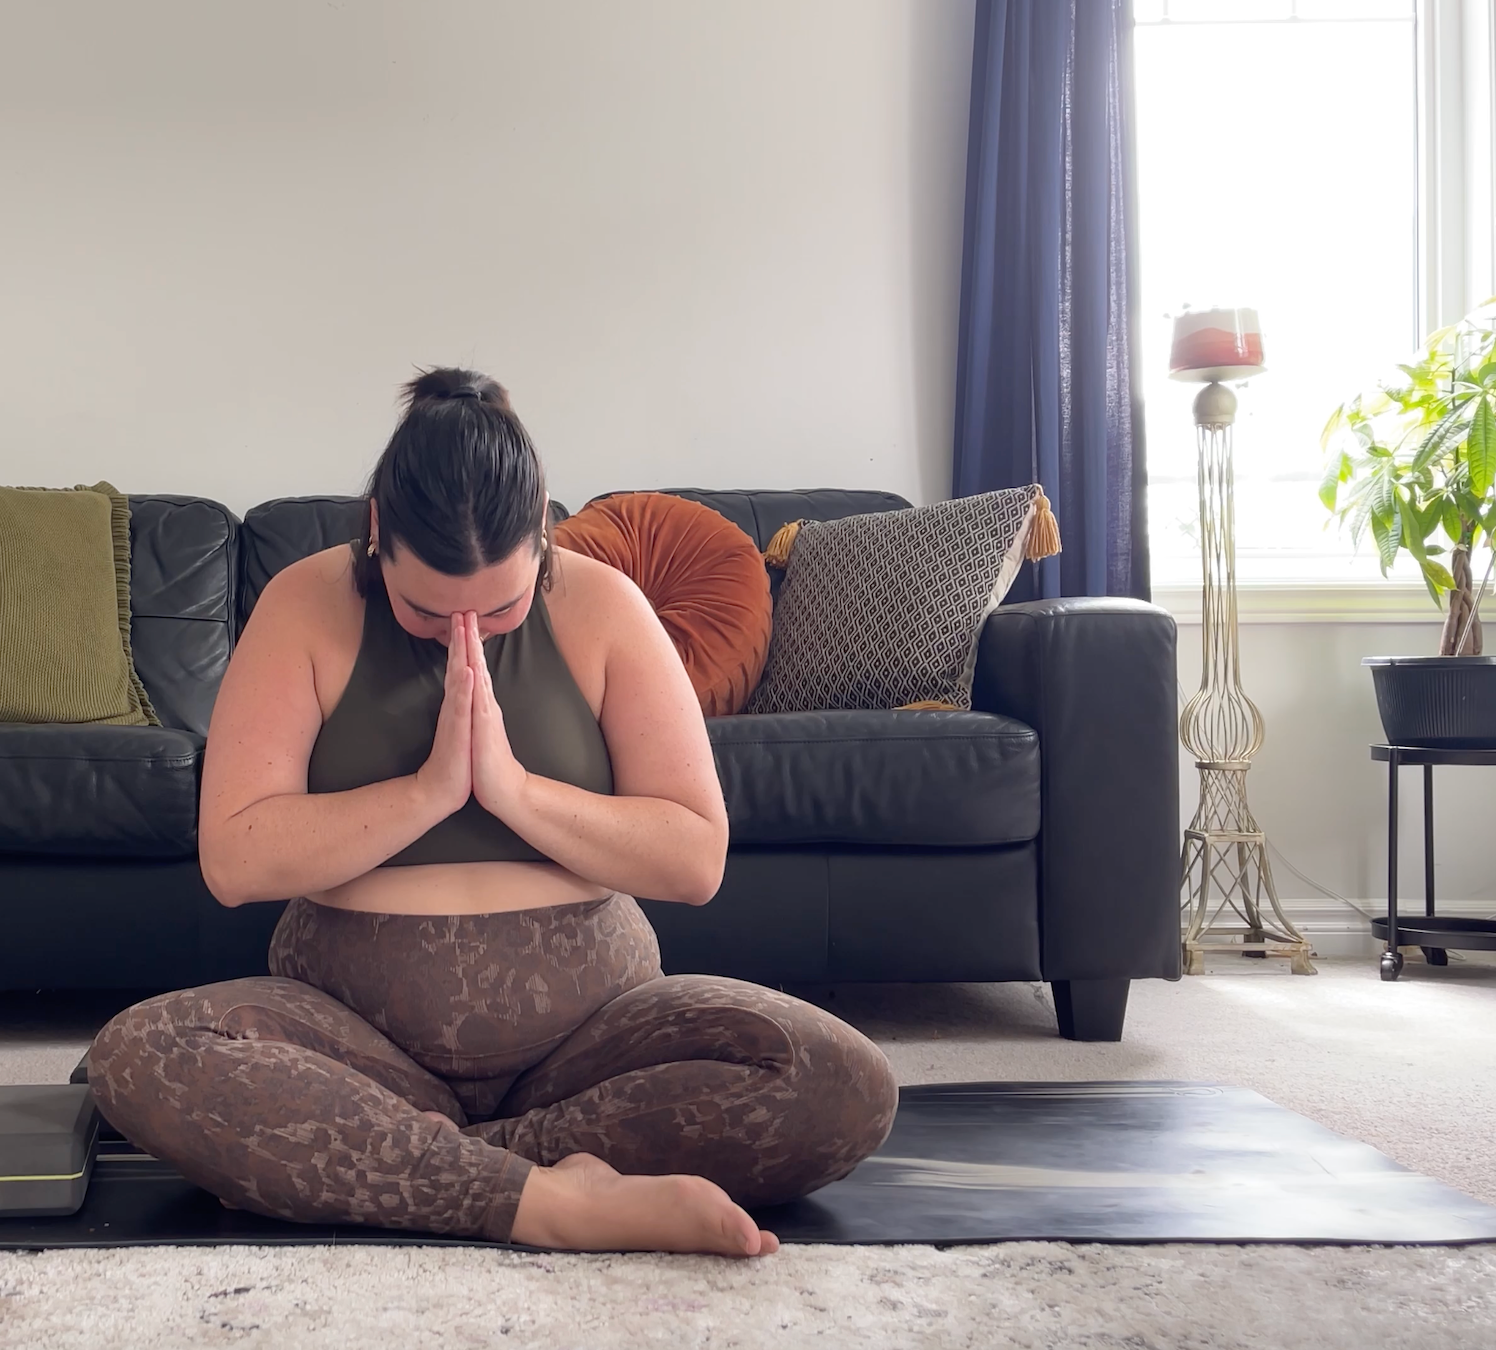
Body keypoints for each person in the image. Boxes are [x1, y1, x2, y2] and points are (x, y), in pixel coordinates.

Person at [87, 368, 896, 1257]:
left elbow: (694, 857)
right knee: (141, 1055)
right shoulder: (303, 606)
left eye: (502, 606)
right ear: (376, 536)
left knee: (841, 1083)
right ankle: (556, 1201)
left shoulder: (607, 606)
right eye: (428, 610)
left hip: (590, 1041)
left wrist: (511, 789)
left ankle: (365, 1162)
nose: (465, 635)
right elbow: (236, 859)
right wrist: (426, 792)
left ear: (543, 522)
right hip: (353, 1041)